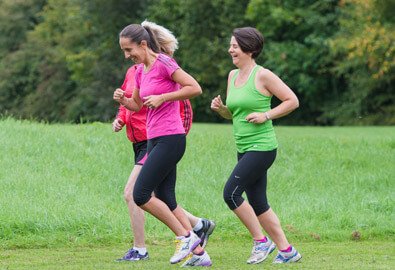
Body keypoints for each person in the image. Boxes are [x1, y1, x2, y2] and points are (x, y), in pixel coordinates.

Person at [113, 21, 212, 267]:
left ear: (143, 44)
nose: (127, 55)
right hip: (154, 138)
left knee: (141, 194)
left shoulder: (165, 64)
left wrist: (164, 97)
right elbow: (137, 105)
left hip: (172, 138)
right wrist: (123, 100)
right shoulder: (139, 70)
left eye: (129, 50)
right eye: (124, 51)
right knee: (166, 196)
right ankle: (199, 255)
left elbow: (195, 88)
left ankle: (185, 237)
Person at [211, 27, 302, 264]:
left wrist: (266, 115)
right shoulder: (232, 76)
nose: (230, 49)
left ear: (249, 49)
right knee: (259, 202)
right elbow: (235, 115)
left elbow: (292, 100)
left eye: (235, 46)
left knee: (230, 194)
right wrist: (223, 111)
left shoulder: (263, 75)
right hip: (243, 147)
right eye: (230, 45)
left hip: (262, 148)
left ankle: (261, 242)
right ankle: (287, 251)